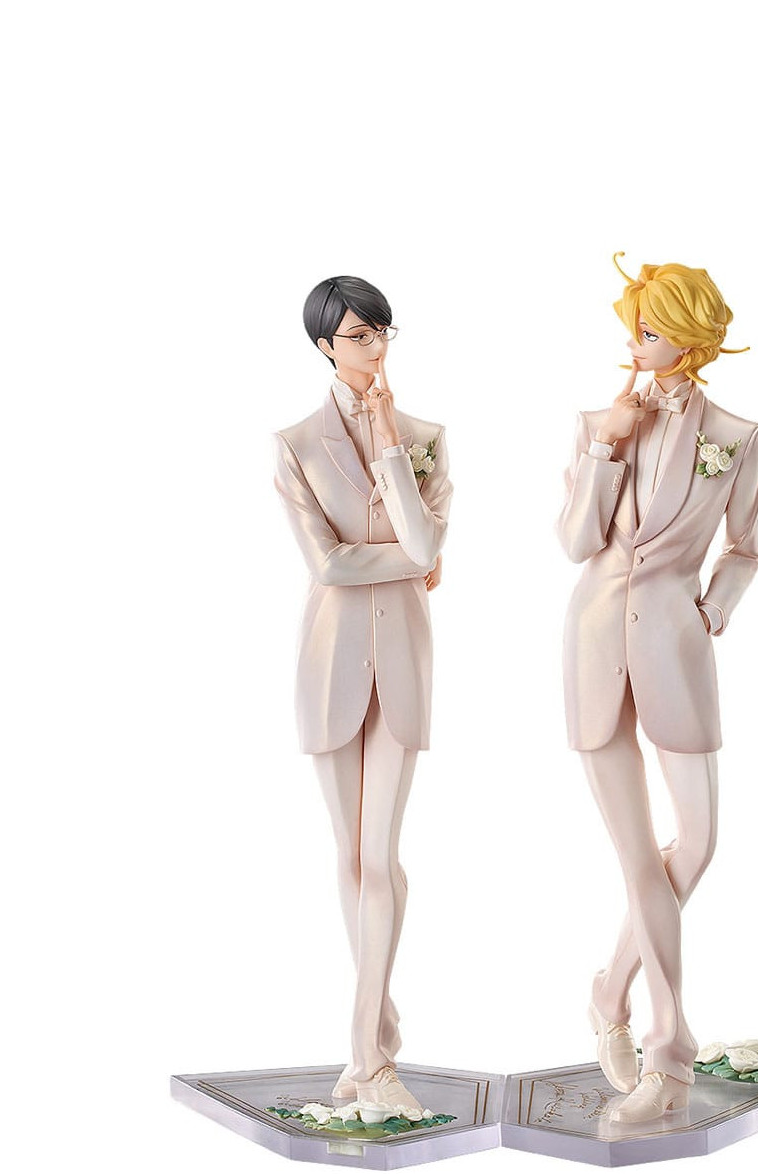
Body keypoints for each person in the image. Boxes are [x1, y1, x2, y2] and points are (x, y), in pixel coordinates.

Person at [557, 256, 758, 1124]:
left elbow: (745, 548)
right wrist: (606, 443)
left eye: (652, 330)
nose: (637, 343)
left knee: (699, 838)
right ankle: (668, 1055)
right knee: (641, 857)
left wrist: (710, 610)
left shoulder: (737, 435)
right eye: (635, 329)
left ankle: (609, 989)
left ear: (690, 336)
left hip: (677, 648)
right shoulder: (599, 424)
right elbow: (576, 542)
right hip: (595, 642)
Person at [274, 275, 452, 1115]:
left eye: (381, 331)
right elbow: (329, 563)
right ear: (325, 346)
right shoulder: (295, 444)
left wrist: (388, 450)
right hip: (330, 658)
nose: (373, 347)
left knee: (379, 854)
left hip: (404, 659)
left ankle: (367, 1054)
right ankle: (378, 1032)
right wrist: (411, 561)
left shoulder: (424, 438)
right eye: (356, 335)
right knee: (347, 856)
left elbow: (425, 540)